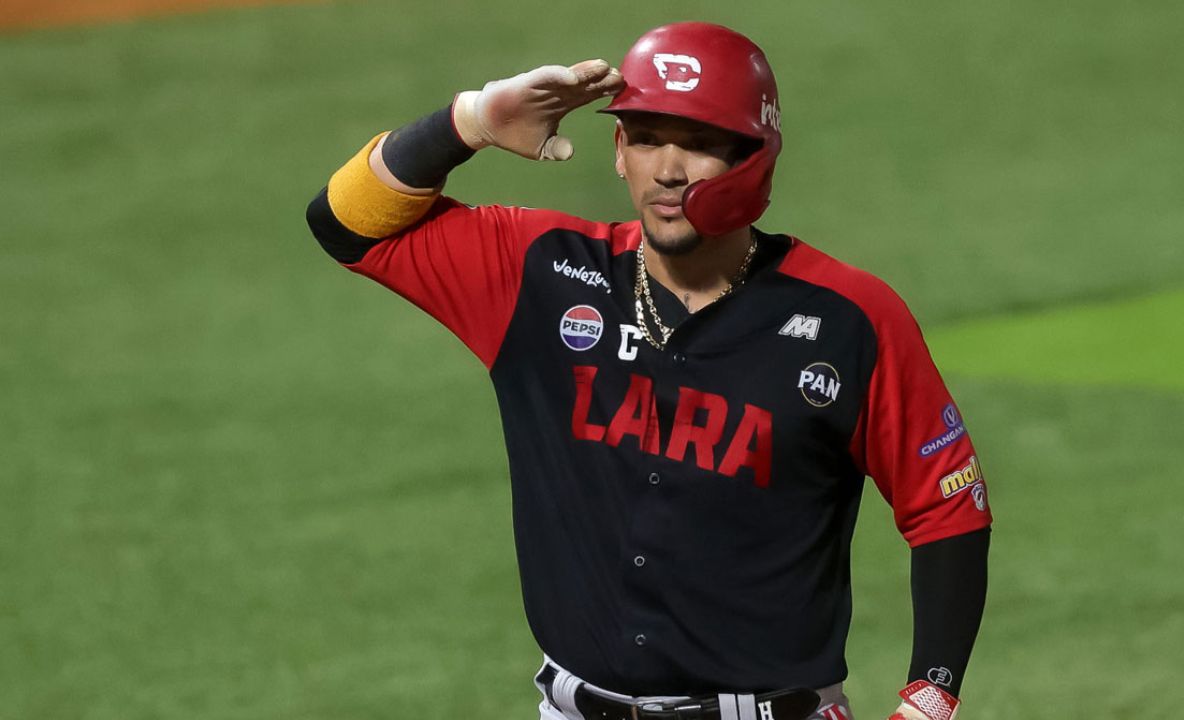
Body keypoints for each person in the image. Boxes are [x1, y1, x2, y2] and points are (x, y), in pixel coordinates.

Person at [305, 21, 990, 720]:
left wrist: (930, 699)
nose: (668, 168)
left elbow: (946, 505)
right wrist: (472, 120)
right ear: (619, 153)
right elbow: (344, 222)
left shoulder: (850, 319)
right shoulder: (540, 273)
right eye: (646, 137)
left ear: (754, 159)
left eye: (698, 144)